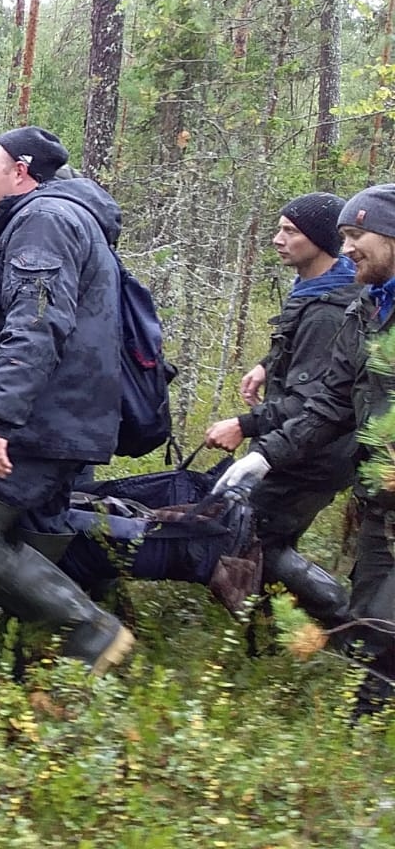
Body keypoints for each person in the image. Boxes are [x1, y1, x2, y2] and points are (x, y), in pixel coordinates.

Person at [0, 126, 134, 673]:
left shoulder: (44, 220)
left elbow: (36, 325)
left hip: (38, 423)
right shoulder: (71, 218)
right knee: (32, 530)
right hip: (65, 420)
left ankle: (91, 631)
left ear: (21, 170)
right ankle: (33, 656)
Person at [214, 183, 395, 717]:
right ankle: (366, 747)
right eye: (342, 236)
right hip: (380, 498)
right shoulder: (367, 308)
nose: (348, 249)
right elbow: (331, 399)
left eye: (357, 235)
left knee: (382, 622)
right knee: (369, 622)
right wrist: (262, 454)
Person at [204, 194, 360, 634]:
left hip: (313, 454)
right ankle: (268, 640)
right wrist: (267, 365)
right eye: (279, 228)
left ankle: (350, 625)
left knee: (255, 539)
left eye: (291, 231)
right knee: (260, 538)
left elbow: (312, 400)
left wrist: (243, 425)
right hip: (300, 447)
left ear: (322, 240)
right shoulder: (315, 292)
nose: (278, 239)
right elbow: (307, 360)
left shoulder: (331, 309)